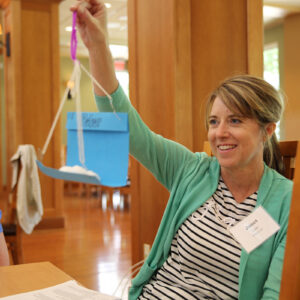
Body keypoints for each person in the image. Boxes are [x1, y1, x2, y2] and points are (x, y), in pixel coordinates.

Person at [71, 1, 292, 299]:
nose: (219, 133)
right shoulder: (193, 170)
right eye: (214, 122)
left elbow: (275, 292)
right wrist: (98, 45)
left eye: (235, 120)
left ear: (268, 130)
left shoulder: (287, 203)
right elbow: (127, 127)